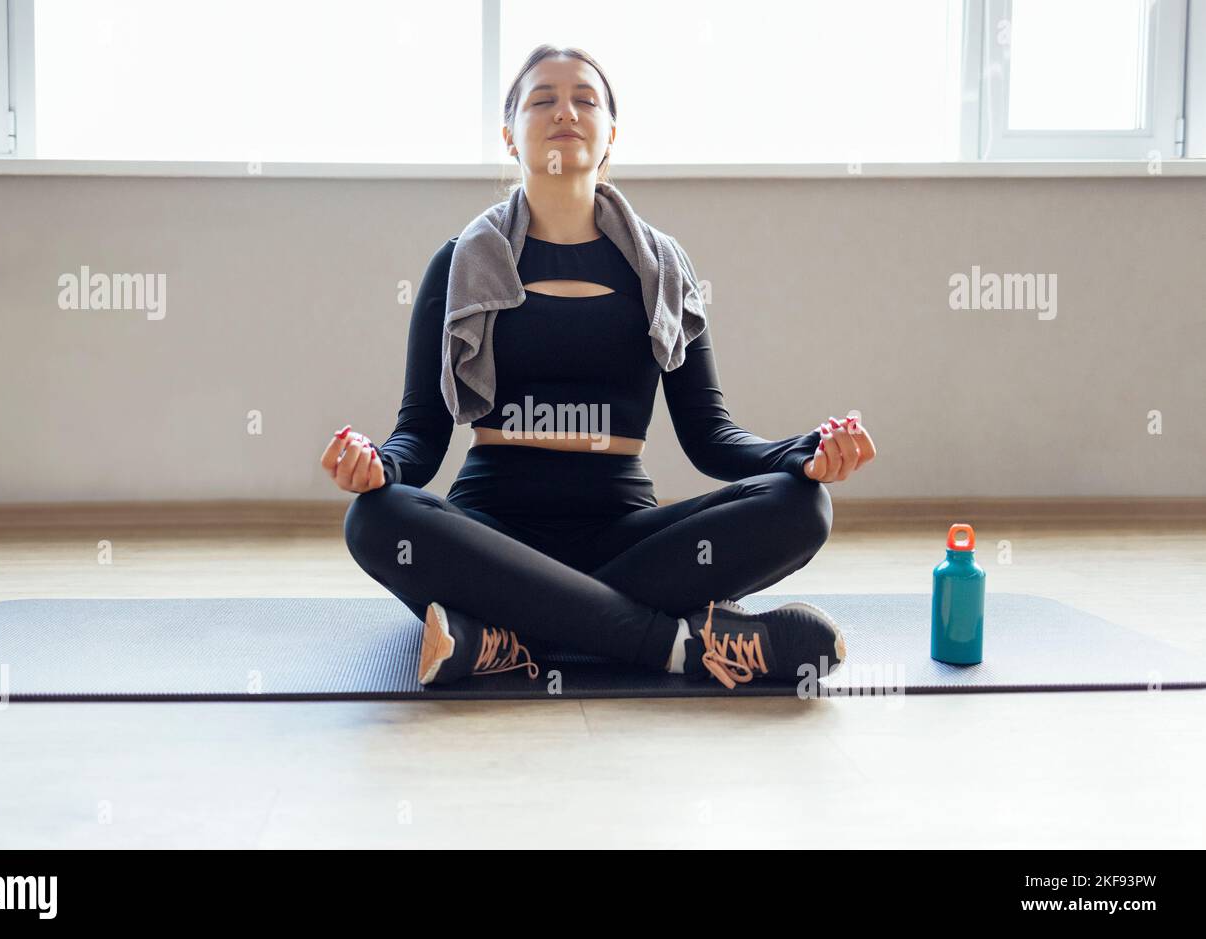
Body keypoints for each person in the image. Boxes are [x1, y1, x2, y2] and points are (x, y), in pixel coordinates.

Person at [320, 46, 877, 691]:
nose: (566, 111)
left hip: (626, 538)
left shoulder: (661, 267)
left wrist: (802, 455)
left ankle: (497, 636)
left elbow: (712, 438)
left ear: (611, 131)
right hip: (490, 536)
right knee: (376, 518)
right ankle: (674, 645)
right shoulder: (458, 264)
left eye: (586, 99)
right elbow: (418, 436)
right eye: (542, 99)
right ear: (509, 135)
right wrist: (377, 466)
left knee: (802, 507)